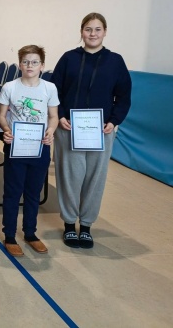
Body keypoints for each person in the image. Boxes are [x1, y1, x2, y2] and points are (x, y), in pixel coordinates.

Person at [52, 13, 131, 249]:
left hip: (101, 131)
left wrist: (114, 121)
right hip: (68, 128)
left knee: (95, 179)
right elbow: (54, 91)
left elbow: (124, 96)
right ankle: (69, 224)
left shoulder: (115, 61)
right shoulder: (68, 58)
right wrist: (61, 115)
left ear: (105, 32)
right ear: (81, 32)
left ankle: (86, 225)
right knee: (70, 177)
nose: (93, 34)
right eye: (88, 29)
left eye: (97, 29)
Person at [0, 45, 59, 257]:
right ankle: (9, 235)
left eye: (34, 62)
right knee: (13, 192)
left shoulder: (50, 88)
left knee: (33, 192)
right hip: (16, 147)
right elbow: (2, 116)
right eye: (25, 62)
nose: (29, 65)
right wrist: (6, 130)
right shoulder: (10, 87)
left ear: (42, 65)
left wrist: (51, 131)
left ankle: (30, 233)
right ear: (19, 65)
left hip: (40, 147)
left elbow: (53, 116)